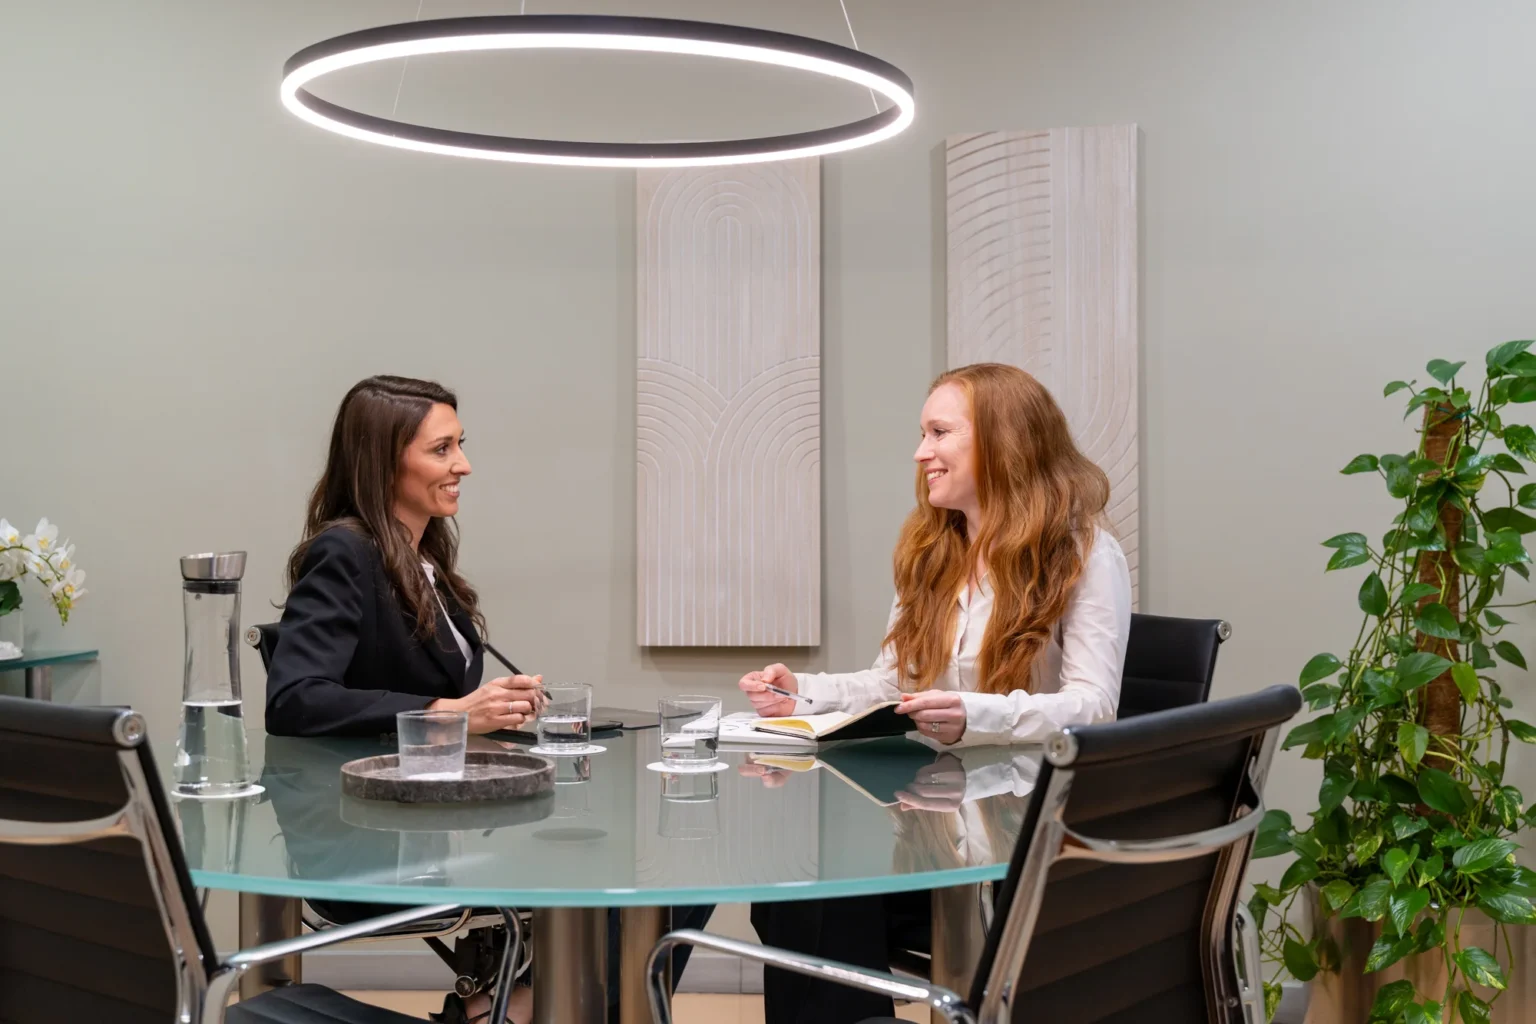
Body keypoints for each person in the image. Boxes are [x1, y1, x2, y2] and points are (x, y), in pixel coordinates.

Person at [738, 362, 1132, 1024]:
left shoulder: (1086, 554)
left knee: (822, 900)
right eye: (923, 434)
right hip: (932, 837)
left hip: (1027, 851)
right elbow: (895, 681)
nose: (921, 452)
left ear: (1004, 441)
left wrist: (975, 714)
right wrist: (800, 694)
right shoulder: (931, 552)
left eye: (940, 432)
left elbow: (1095, 707)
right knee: (799, 885)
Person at [265, 375, 546, 1024]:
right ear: (383, 462)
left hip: (432, 826)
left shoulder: (423, 560)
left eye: (461, 445)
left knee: (633, 883)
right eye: (442, 450)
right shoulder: (344, 552)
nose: (463, 465)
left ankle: (504, 1005)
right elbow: (296, 698)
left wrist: (493, 708)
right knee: (619, 888)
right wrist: (446, 714)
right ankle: (512, 1006)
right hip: (369, 847)